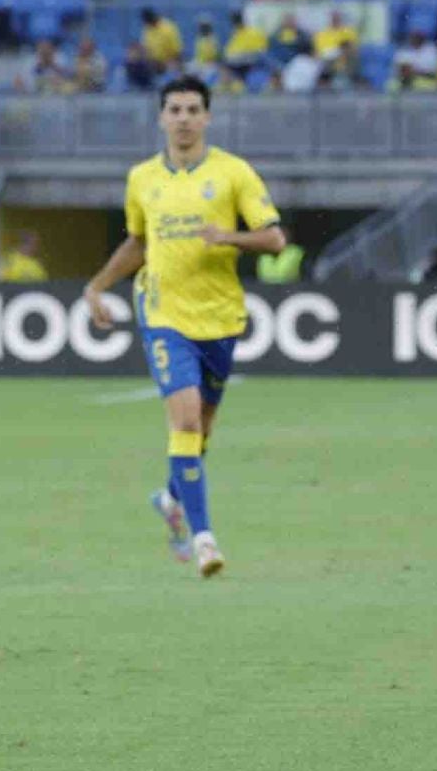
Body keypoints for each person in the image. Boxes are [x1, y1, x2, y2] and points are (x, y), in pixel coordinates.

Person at [80, 75, 286, 578]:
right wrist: (97, 286)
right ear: (161, 117)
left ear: (208, 117)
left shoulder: (234, 174)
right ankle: (203, 539)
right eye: (175, 109)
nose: (184, 118)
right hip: (162, 312)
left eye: (194, 109)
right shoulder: (142, 179)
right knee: (187, 421)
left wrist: (228, 237)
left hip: (220, 316)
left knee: (202, 431)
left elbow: (275, 239)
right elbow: (137, 243)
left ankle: (171, 499)